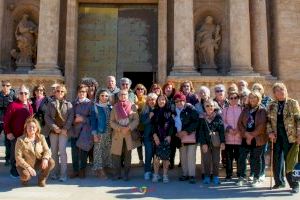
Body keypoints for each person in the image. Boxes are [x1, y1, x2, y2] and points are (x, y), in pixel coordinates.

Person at [267, 83, 300, 193]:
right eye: (277, 90)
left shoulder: (292, 103)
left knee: (291, 161)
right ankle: (279, 182)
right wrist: (270, 132)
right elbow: (267, 121)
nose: (281, 91)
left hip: (290, 136)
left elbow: (298, 120)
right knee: (277, 160)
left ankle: (295, 184)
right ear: (274, 93)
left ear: (286, 90)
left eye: (282, 89)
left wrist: (299, 134)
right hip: (276, 136)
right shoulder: (272, 104)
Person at [237, 91, 268, 187]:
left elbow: (262, 126)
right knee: (242, 157)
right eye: (250, 97)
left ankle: (256, 178)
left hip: (258, 138)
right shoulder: (245, 109)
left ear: (258, 99)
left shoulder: (262, 110)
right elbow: (240, 123)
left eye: (255, 97)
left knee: (256, 159)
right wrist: (246, 134)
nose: (252, 99)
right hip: (245, 136)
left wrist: (251, 136)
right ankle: (241, 177)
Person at [45, 84, 74, 182]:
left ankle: (63, 174)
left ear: (64, 92)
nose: (59, 93)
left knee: (62, 151)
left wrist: (65, 129)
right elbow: (47, 117)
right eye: (58, 91)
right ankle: (54, 173)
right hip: (53, 131)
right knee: (53, 152)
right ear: (55, 92)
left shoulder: (68, 104)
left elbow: (71, 117)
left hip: (64, 131)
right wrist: (54, 127)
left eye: (62, 91)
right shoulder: (50, 103)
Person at [15, 117, 55, 187]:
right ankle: (25, 179)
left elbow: (47, 150)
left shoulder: (41, 137)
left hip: (37, 162)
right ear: (26, 128)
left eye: (33, 127)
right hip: (25, 164)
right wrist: (28, 167)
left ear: (37, 128)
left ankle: (42, 179)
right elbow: (18, 157)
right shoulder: (20, 140)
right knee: (25, 176)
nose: (31, 129)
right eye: (29, 127)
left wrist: (45, 159)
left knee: (51, 162)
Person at [4, 85, 33, 178]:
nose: (23, 94)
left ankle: (23, 170)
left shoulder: (29, 105)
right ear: (18, 94)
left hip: (26, 135)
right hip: (15, 135)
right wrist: (8, 132)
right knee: (15, 154)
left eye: (25, 93)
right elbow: (6, 120)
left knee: (24, 154)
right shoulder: (13, 105)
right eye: (21, 93)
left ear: (28, 95)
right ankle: (14, 170)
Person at [110, 89, 139, 181]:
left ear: (128, 96)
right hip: (118, 134)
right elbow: (111, 122)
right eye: (121, 94)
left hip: (128, 134)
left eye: (125, 94)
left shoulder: (132, 106)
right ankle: (116, 174)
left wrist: (129, 127)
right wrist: (120, 128)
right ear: (118, 96)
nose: (123, 96)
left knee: (127, 155)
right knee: (116, 155)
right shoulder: (115, 107)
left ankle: (126, 174)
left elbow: (136, 120)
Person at [199, 99, 225, 185]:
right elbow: (201, 132)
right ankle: (207, 176)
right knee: (206, 160)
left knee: (216, 160)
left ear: (214, 107)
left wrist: (222, 142)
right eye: (207, 106)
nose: (209, 107)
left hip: (216, 142)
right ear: (204, 107)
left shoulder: (218, 117)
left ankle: (215, 177)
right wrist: (203, 143)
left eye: (211, 106)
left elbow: (221, 130)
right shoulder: (202, 118)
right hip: (206, 143)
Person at [174, 93, 199, 184]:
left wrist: (186, 131)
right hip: (179, 137)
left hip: (190, 135)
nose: (179, 102)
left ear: (185, 101)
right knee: (183, 156)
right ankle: (185, 174)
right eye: (177, 101)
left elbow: (196, 121)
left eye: (181, 100)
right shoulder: (173, 111)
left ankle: (192, 175)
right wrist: (176, 133)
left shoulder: (190, 109)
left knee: (191, 156)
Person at [70, 84, 93, 179]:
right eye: (80, 91)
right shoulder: (73, 103)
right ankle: (75, 170)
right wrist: (74, 120)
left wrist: (83, 119)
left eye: (83, 92)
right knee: (74, 151)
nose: (82, 93)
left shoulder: (90, 103)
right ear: (77, 92)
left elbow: (92, 118)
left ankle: (82, 170)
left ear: (86, 93)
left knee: (83, 151)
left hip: (85, 130)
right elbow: (69, 116)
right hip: (74, 130)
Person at [251, 83, 272, 182]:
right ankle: (254, 172)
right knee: (253, 154)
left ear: (262, 90)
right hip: (252, 132)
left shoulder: (268, 100)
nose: (257, 90)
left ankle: (262, 173)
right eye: (255, 88)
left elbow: (270, 113)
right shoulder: (251, 100)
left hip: (264, 131)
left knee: (262, 153)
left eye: (259, 88)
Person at [151, 95, 174, 183]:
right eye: (160, 100)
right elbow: (152, 125)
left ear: (166, 101)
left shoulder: (170, 112)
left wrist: (169, 135)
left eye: (163, 100)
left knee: (166, 157)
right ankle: (156, 175)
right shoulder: (154, 112)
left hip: (166, 137)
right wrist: (154, 135)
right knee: (156, 157)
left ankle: (165, 175)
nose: (161, 101)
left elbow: (172, 125)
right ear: (157, 101)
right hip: (157, 136)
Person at [91, 89, 113, 179]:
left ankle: (105, 168)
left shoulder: (110, 107)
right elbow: (93, 122)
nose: (104, 97)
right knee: (98, 151)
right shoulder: (95, 107)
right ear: (98, 96)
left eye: (106, 96)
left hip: (109, 133)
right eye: (102, 95)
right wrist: (95, 135)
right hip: (100, 132)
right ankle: (99, 170)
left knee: (107, 151)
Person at [222, 91, 242, 181]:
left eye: (235, 98)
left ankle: (239, 174)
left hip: (239, 136)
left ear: (238, 99)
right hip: (229, 136)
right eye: (231, 98)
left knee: (239, 157)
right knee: (229, 157)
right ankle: (229, 174)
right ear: (228, 99)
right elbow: (223, 122)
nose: (233, 100)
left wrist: (238, 129)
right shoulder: (225, 110)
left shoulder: (242, 109)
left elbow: (244, 121)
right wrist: (229, 129)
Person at [140, 93, 158, 180]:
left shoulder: (159, 109)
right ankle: (147, 171)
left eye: (153, 99)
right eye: (150, 99)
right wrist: (149, 117)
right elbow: (143, 122)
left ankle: (155, 172)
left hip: (158, 136)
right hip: (147, 136)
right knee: (149, 154)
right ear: (147, 101)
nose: (152, 101)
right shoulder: (144, 111)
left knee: (156, 155)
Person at [0, 80, 16, 166]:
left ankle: (8, 158)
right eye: (3, 85)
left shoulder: (13, 96)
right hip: (0, 120)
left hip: (8, 121)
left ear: (10, 86)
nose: (5, 87)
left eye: (7, 85)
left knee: (7, 141)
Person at [162, 81, 178, 169]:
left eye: (170, 88)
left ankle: (171, 162)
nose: (168, 89)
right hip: (162, 126)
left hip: (172, 126)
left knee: (172, 145)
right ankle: (164, 161)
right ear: (164, 89)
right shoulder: (161, 98)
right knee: (163, 144)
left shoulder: (174, 99)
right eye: (167, 87)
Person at [134, 83, 148, 166]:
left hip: (145, 124)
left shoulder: (147, 98)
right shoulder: (133, 98)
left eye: (141, 89)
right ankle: (141, 160)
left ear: (144, 90)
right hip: (137, 125)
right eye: (138, 89)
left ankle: (147, 159)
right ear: (135, 90)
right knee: (138, 144)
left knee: (146, 143)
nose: (140, 90)